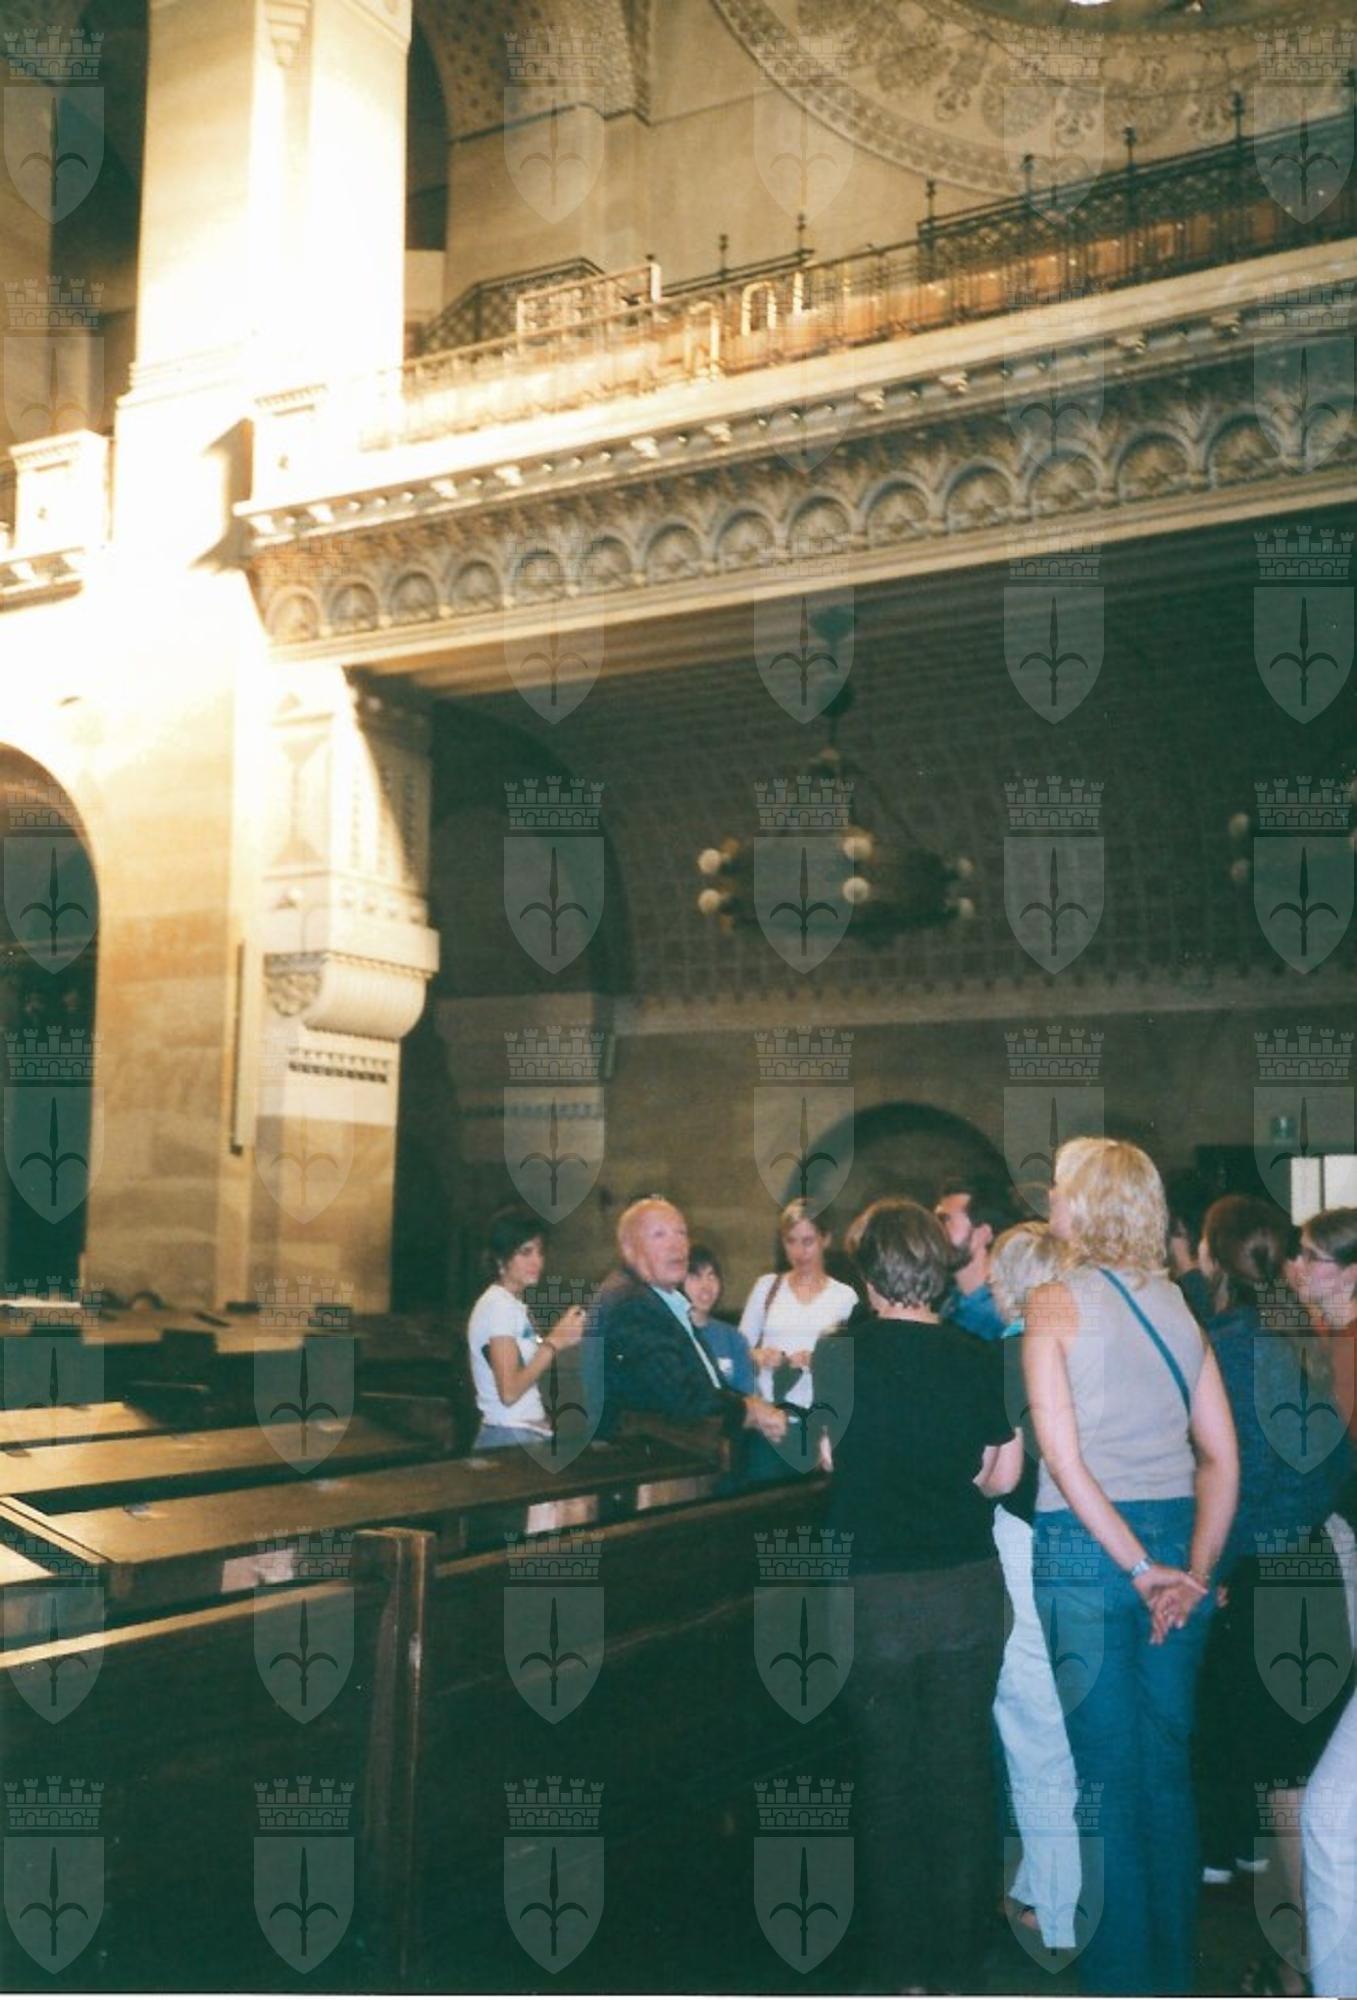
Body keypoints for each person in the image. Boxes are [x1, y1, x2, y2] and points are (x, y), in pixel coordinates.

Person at [1024, 1137, 1239, 1997]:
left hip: (1085, 1553)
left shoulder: (1050, 1303)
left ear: (1082, 1205)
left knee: (1104, 1779)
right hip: (1174, 1544)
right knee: (1164, 1770)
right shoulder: (1179, 1306)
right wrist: (1190, 1571)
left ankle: (1119, 1982)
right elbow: (1221, 1459)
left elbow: (1063, 1458)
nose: (1048, 1200)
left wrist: (1140, 1567)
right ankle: (1172, 1976)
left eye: (1058, 1188)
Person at [814, 1197, 1023, 1995]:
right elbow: (999, 1475)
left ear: (868, 1274)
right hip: (963, 1587)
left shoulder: (837, 1355)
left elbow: (828, 1458)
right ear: (936, 1269)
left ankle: (902, 1970)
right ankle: (961, 1961)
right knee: (961, 1771)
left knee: (886, 1777)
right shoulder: (979, 1355)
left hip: (871, 1593)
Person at [1192, 1196, 1354, 1938]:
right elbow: (1334, 1463)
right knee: (1307, 1771)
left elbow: (1237, 1478)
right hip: (1309, 1558)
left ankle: (1303, 1963)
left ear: (1212, 1256)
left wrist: (1212, 1569)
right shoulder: (1299, 1331)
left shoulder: (1225, 1345)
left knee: (1287, 1783)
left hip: (1261, 1571)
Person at [987, 1220, 1081, 1957]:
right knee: (1073, 1719)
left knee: (1032, 1723)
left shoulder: (1005, 1357)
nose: (988, 1283)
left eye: (996, 1273)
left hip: (1023, 1544)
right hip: (1091, 1543)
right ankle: (1047, 1879)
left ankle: (1056, 1906)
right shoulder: (1086, 1344)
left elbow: (996, 1475)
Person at [597, 1198, 785, 1446]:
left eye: (681, 1233)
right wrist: (749, 1410)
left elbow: (700, 1386)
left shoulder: (661, 1301)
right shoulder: (632, 1304)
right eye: (659, 1235)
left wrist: (752, 1408)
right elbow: (679, 1396)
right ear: (629, 1248)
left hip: (691, 1446)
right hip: (662, 1456)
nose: (676, 1245)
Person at [466, 1209, 585, 1449]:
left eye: (540, 1252)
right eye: (525, 1252)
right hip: (508, 1436)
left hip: (520, 1434)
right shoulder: (498, 1306)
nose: (537, 1262)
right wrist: (553, 1343)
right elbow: (509, 1392)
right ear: (501, 1259)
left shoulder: (512, 1305)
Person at [739, 1199, 858, 1410]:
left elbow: (853, 1362)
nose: (799, 1252)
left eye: (808, 1241)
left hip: (821, 1412)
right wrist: (761, 1356)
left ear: (826, 1239)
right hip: (769, 1411)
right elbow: (739, 1349)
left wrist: (818, 1361)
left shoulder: (844, 1297)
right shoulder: (766, 1288)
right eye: (791, 1241)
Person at [935, 1172, 1018, 1341]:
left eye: (946, 1220)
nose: (935, 1230)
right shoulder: (949, 1303)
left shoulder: (1002, 1315)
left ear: (984, 1233)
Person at [682, 1245, 756, 1393]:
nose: (706, 1286)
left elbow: (747, 1394)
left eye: (711, 1276)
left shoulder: (733, 1338)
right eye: (696, 1277)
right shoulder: (668, 1335)